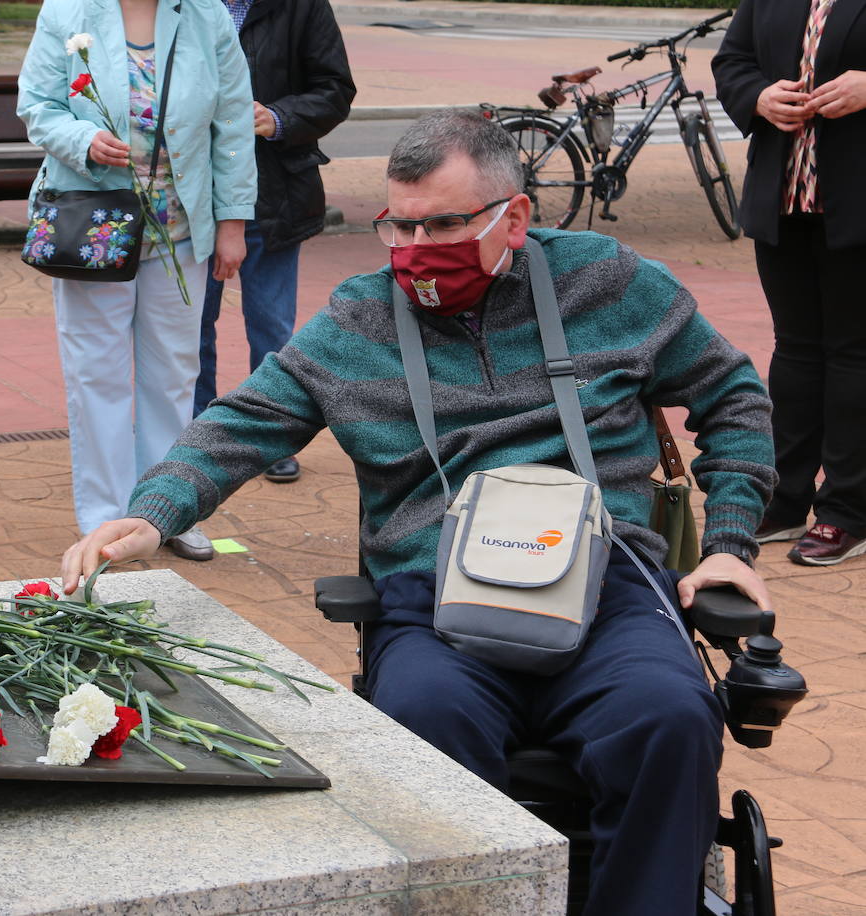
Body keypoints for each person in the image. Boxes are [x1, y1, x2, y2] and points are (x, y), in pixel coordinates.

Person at [61, 111, 777, 915]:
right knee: (421, 731)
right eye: (397, 225)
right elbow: (243, 424)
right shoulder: (358, 318)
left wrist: (730, 545)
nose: (413, 246)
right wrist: (154, 513)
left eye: (442, 223)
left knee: (670, 720)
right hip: (432, 600)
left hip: (607, 585)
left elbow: (734, 397)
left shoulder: (608, 280)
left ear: (516, 215)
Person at [17, 0, 257, 558]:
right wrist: (82, 139)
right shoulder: (67, 11)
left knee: (174, 374)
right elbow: (37, 106)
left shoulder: (206, 16)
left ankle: (165, 510)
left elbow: (233, 124)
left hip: (181, 227)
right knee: (95, 373)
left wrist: (233, 223)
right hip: (95, 226)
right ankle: (102, 519)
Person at [712, 0, 866, 566]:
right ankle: (787, 496)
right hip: (783, 198)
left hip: (857, 203)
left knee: (854, 356)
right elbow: (732, 60)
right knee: (796, 351)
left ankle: (847, 510)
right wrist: (758, 96)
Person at [193, 0, 355, 490]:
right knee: (191, 327)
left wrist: (281, 117)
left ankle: (270, 439)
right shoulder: (183, 5)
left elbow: (335, 88)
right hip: (195, 194)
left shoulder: (302, 4)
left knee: (271, 326)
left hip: (276, 192)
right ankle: (198, 436)